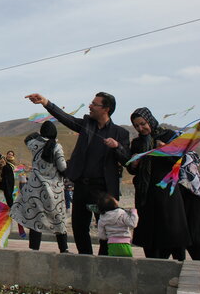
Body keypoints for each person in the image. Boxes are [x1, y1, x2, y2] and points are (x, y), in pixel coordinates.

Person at [25, 92, 130, 255]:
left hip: (103, 189)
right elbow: (67, 118)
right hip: (82, 186)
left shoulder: (120, 134)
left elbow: (126, 160)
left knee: (106, 228)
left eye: (95, 104)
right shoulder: (87, 124)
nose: (90, 106)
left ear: (106, 109)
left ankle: (102, 262)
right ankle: (85, 260)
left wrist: (117, 146)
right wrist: (46, 102)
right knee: (79, 228)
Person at [127, 107, 189, 260]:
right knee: (150, 235)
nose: (141, 128)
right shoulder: (137, 143)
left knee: (172, 231)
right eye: (137, 126)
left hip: (167, 192)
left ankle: (180, 267)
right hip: (146, 195)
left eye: (143, 124)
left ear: (150, 120)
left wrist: (167, 150)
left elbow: (181, 161)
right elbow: (131, 169)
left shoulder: (169, 136)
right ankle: (154, 268)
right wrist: (134, 164)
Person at [10, 122, 69, 253]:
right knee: (59, 219)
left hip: (34, 187)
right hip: (54, 190)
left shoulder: (33, 144)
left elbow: (28, 138)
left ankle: (34, 249)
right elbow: (63, 167)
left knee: (35, 219)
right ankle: (63, 249)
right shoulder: (57, 147)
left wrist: (38, 135)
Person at [178, 151, 200, 276]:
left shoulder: (184, 155)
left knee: (191, 233)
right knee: (188, 233)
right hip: (192, 196)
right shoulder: (190, 155)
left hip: (190, 197)